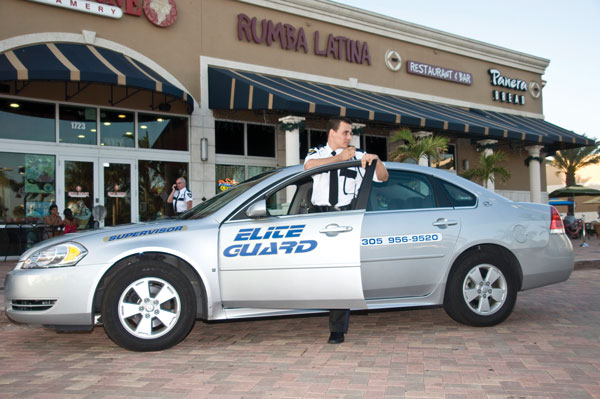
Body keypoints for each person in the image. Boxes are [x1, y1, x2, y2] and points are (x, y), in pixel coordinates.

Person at [304, 117, 389, 344]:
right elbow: (308, 167)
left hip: (345, 219)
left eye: (350, 133)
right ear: (332, 133)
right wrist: (339, 158)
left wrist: (376, 160)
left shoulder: (358, 155)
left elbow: (383, 176)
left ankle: (337, 329)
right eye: (345, 132)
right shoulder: (316, 153)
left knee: (338, 273)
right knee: (318, 272)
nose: (349, 137)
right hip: (320, 218)